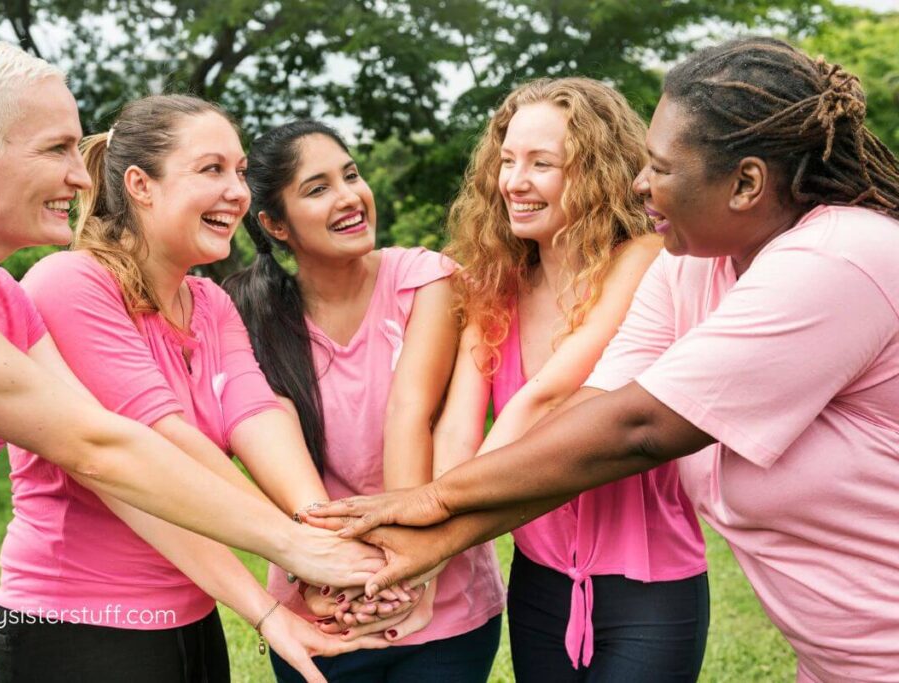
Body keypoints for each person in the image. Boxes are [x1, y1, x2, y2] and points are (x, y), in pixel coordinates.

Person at [308, 37, 899, 683]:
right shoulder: (691, 272)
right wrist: (426, 545)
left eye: (663, 167)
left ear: (747, 182)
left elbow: (636, 429)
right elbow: (592, 412)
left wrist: (435, 498)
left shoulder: (838, 258)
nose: (641, 183)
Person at [0, 37, 379, 683]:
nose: (84, 175)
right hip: (74, 626)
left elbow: (114, 464)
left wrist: (272, 597)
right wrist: (299, 547)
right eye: (57, 148)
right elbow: (102, 444)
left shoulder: (1, 301)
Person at [434, 77, 707, 680]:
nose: (514, 182)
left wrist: (431, 525)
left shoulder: (643, 259)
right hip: (539, 584)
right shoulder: (494, 285)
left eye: (542, 163)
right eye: (507, 160)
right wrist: (428, 529)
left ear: (598, 172)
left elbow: (548, 397)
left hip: (650, 586)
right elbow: (458, 423)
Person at [224, 120, 506, 682]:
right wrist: (340, 577)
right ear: (275, 224)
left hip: (446, 605)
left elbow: (412, 412)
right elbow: (271, 453)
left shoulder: (425, 279)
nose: (350, 196)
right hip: (325, 606)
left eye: (350, 175)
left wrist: (407, 568)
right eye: (318, 188)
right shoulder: (249, 315)